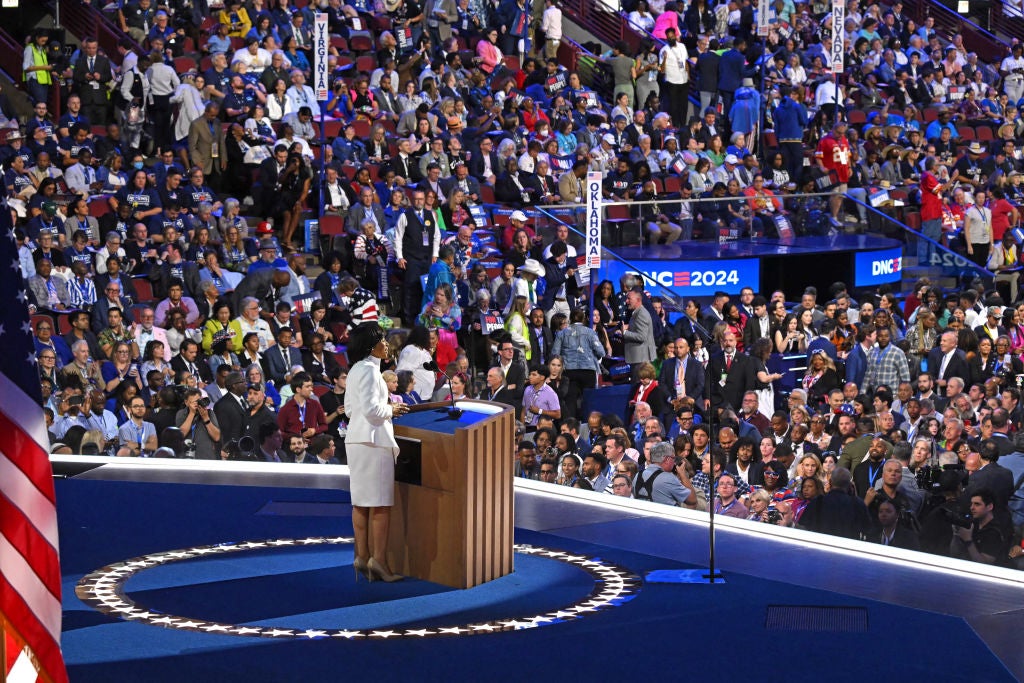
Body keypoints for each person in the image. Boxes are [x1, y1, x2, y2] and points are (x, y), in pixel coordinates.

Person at [345, 322, 409, 583]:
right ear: (372, 345)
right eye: (382, 339)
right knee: (381, 504)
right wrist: (392, 409)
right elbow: (373, 411)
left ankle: (361, 557)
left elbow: (350, 410)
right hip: (373, 441)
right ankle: (379, 562)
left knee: (361, 503)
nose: (387, 344)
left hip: (356, 440)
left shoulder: (354, 370)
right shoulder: (371, 371)